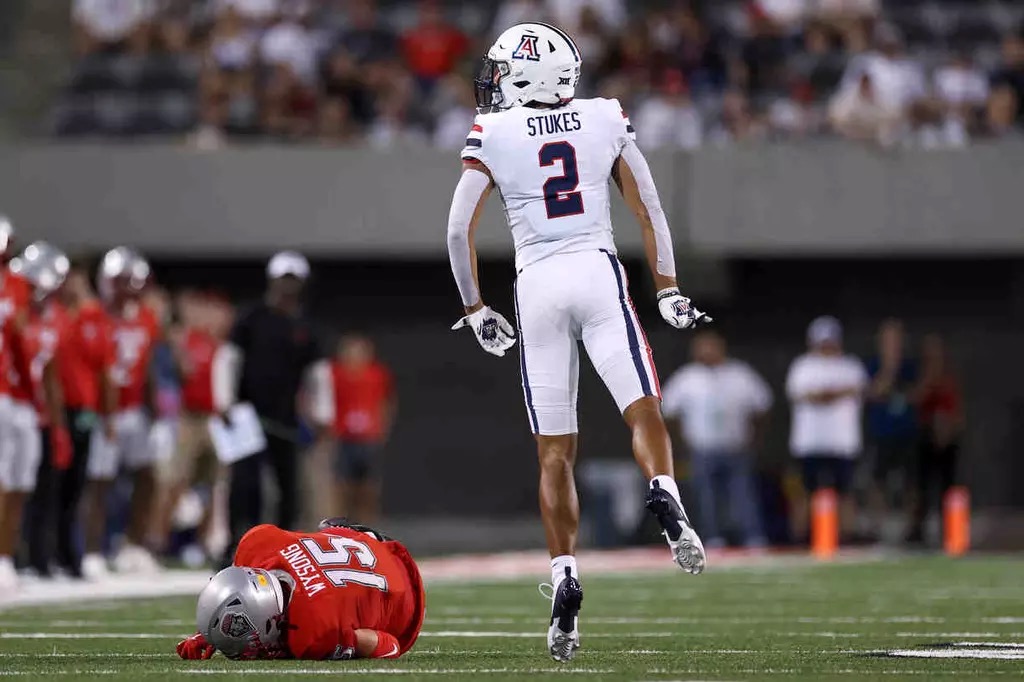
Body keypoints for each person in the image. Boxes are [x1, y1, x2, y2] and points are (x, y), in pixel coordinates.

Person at [445, 22, 710, 662]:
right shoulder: (602, 117)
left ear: (523, 78)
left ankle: (565, 573)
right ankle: (666, 493)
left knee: (554, 452)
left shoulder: (495, 132)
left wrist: (476, 308)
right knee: (642, 406)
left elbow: (458, 231)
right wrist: (669, 289)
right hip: (596, 269)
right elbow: (649, 208)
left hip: (536, 284)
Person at [212, 251, 327, 568]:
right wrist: (225, 402)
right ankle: (235, 546)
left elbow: (317, 375)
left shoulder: (304, 326)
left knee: (288, 488)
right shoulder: (252, 318)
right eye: (283, 279)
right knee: (245, 485)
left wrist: (321, 415)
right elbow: (228, 360)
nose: (286, 286)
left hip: (285, 419)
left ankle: (282, 551)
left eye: (293, 280)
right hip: (246, 416)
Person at [175, 519, 424, 661]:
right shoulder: (257, 543)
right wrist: (210, 631)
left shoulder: (310, 635)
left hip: (407, 605)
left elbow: (390, 646)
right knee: (322, 529)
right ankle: (362, 535)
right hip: (373, 549)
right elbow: (240, 586)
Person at [82, 247, 162, 578]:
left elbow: (147, 366)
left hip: (134, 411)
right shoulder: (93, 317)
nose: (130, 288)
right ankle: (91, 552)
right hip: (104, 414)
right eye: (124, 281)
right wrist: (102, 412)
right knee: (100, 483)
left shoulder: (145, 317)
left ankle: (133, 546)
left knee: (147, 477)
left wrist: (154, 405)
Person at [661, 330, 771, 549]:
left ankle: (752, 536)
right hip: (702, 448)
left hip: (736, 446)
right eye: (702, 347)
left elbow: (762, 406)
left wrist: (755, 439)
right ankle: (712, 537)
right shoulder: (686, 377)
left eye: (711, 346)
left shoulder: (740, 374)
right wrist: (683, 440)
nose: (707, 351)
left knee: (743, 494)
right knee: (706, 496)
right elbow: (669, 411)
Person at [13, 243, 74, 581]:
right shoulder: (12, 310)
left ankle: (33, 557)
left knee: (33, 488)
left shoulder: (58, 319)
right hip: (12, 405)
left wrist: (59, 426)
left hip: (35, 415)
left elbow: (51, 374)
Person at [786, 316, 867, 542]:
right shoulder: (803, 366)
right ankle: (801, 538)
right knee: (805, 493)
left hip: (843, 443)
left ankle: (846, 537)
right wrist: (836, 393)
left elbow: (857, 390)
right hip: (809, 443)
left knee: (846, 493)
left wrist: (825, 394)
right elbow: (804, 394)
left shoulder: (850, 365)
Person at [156, 292, 222, 559]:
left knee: (212, 483)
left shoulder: (220, 345)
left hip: (215, 419)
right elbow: (185, 373)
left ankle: (204, 542)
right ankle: (157, 540)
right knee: (176, 480)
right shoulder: (186, 341)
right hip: (189, 418)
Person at [325, 335, 395, 524]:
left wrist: (382, 429)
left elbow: (386, 402)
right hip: (343, 438)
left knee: (368, 489)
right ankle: (338, 527)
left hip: (368, 439)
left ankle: (367, 527)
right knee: (341, 487)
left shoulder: (377, 374)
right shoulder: (335, 374)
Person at [0, 218, 34, 585]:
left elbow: (20, 346)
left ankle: (5, 557)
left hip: (6, 392)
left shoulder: (16, 284)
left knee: (9, 479)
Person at [906, 334, 964, 545]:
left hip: (947, 441)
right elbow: (915, 398)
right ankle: (917, 531)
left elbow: (956, 412)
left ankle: (949, 531)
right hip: (925, 438)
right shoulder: (921, 375)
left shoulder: (950, 378)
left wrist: (948, 432)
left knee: (947, 488)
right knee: (921, 487)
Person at [864, 319, 918, 537]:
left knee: (910, 481)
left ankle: (911, 528)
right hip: (882, 431)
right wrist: (889, 369)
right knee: (878, 479)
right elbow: (873, 392)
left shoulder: (911, 366)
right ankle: (880, 527)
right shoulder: (873, 365)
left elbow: (917, 394)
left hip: (906, 431)